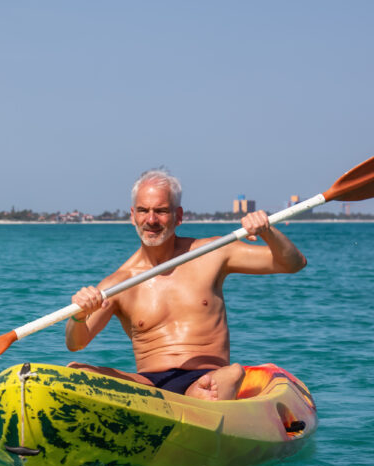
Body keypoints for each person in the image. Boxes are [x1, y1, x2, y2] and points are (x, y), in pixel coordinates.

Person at [65, 168, 307, 401]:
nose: (151, 220)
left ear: (178, 216)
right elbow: (76, 343)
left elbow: (292, 264)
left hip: (207, 375)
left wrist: (268, 232)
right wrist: (78, 315)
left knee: (230, 375)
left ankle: (200, 398)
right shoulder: (119, 283)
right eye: (143, 210)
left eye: (160, 211)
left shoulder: (211, 253)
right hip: (149, 385)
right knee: (77, 371)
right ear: (132, 216)